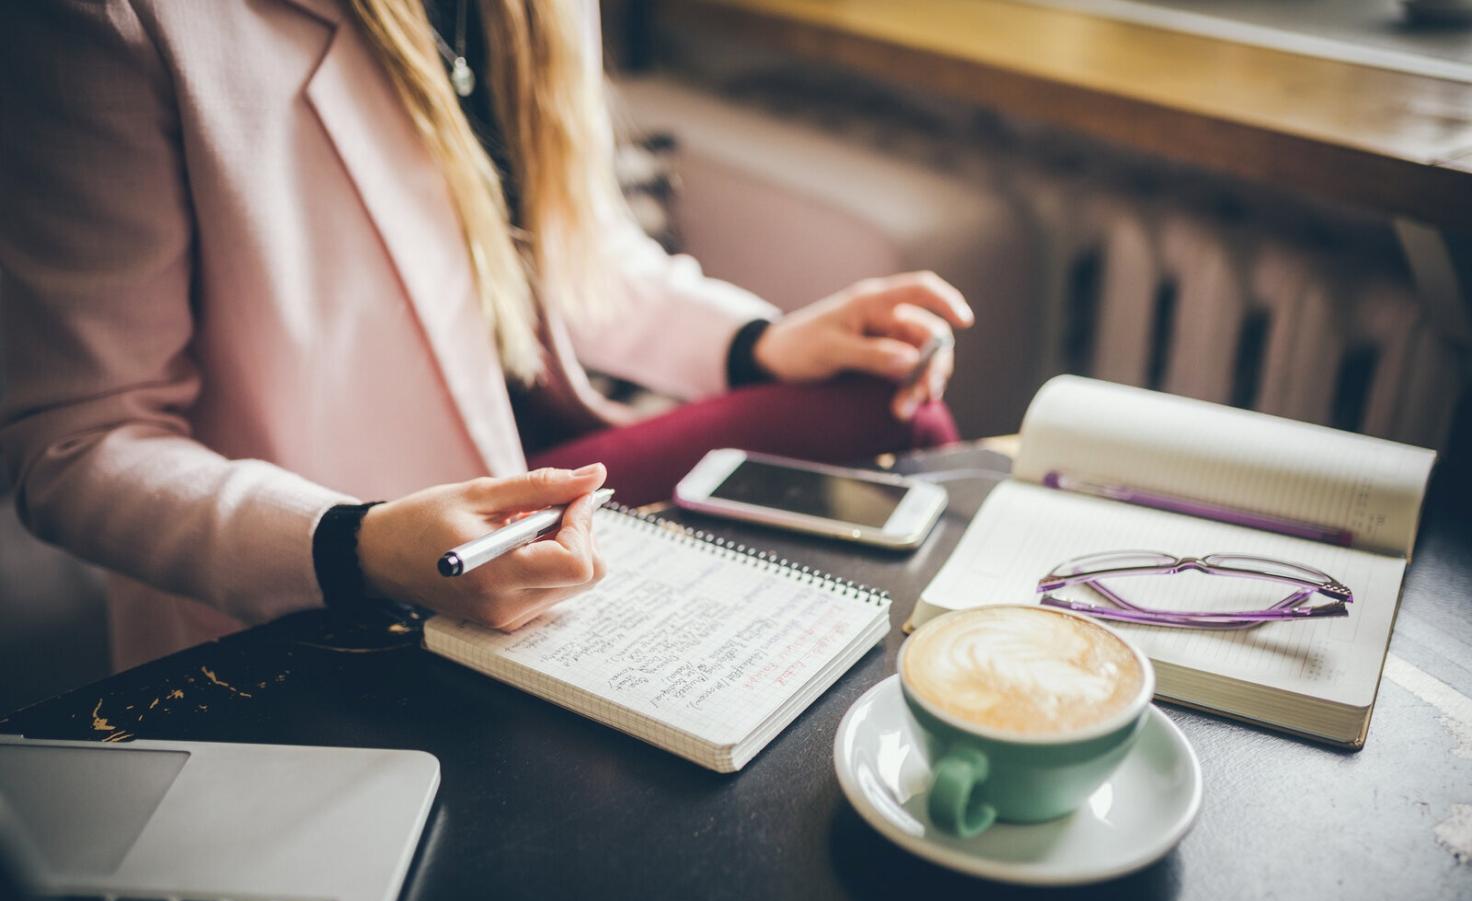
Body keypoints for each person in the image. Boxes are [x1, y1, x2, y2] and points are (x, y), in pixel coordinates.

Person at [0, 0, 972, 671]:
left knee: (885, 397)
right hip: (341, 551)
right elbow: (74, 443)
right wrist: (355, 544)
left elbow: (573, 250)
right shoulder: (110, 24)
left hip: (524, 482)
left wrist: (762, 341)